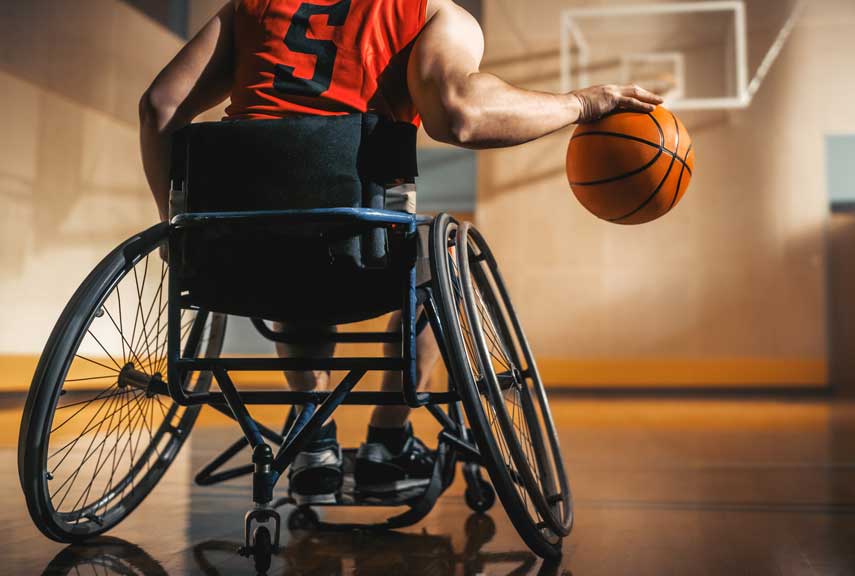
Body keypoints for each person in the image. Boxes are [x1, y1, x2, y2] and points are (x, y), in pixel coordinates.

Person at [139, 0, 662, 504]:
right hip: (359, 259)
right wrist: (581, 103)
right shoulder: (430, 13)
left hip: (241, 257)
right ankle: (387, 441)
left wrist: (177, 228)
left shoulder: (251, 7)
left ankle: (312, 438)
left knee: (292, 228)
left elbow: (159, 104)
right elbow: (459, 116)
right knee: (444, 251)